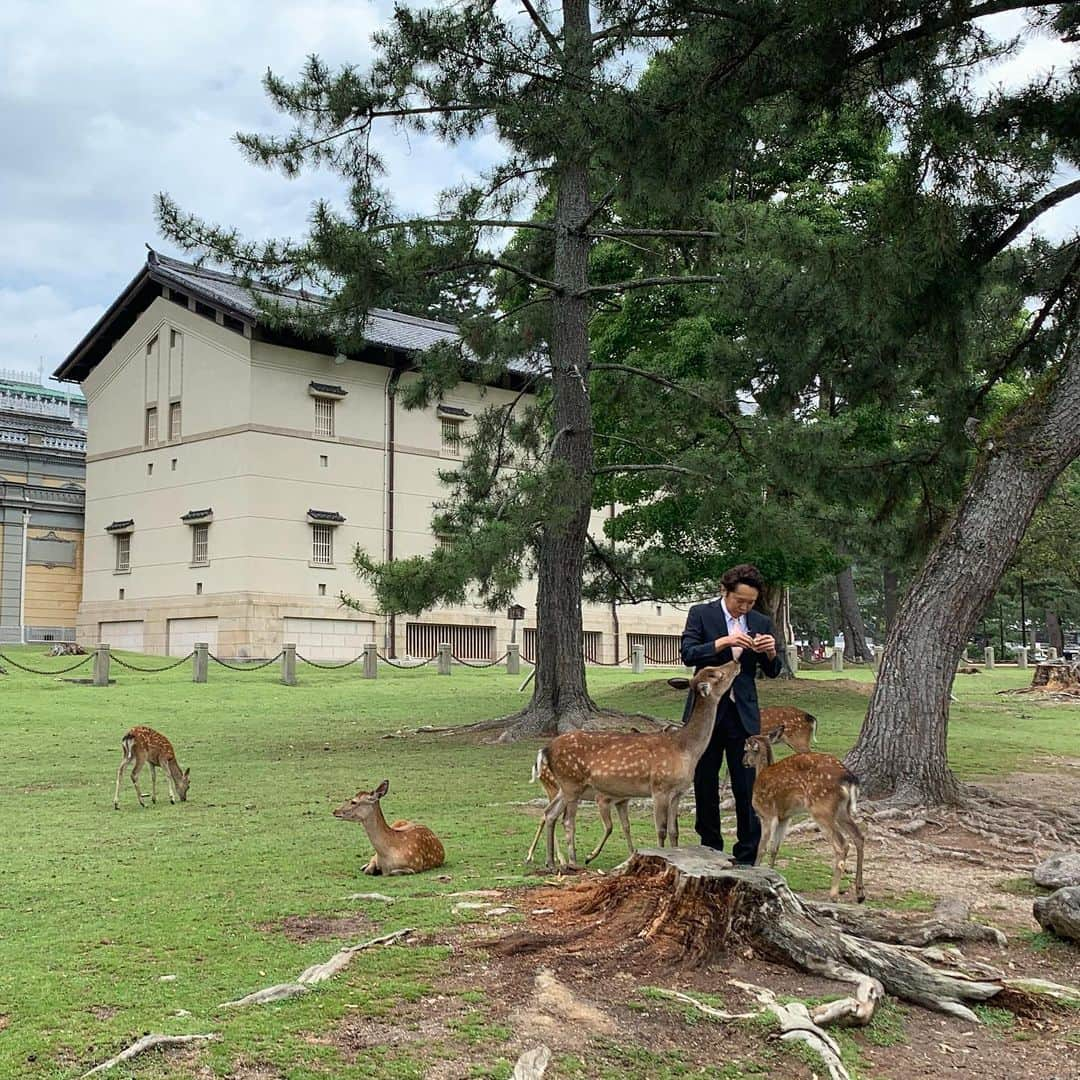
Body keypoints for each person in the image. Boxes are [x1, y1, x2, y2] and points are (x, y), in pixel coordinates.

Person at [680, 563, 783, 865]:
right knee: (706, 780)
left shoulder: (760, 621)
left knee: (746, 784)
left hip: (743, 714)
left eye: (750, 602)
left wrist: (770, 651)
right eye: (740, 601)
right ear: (726, 592)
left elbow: (774, 671)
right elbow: (688, 654)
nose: (745, 607)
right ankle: (710, 847)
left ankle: (747, 855)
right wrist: (723, 642)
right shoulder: (702, 614)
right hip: (707, 715)